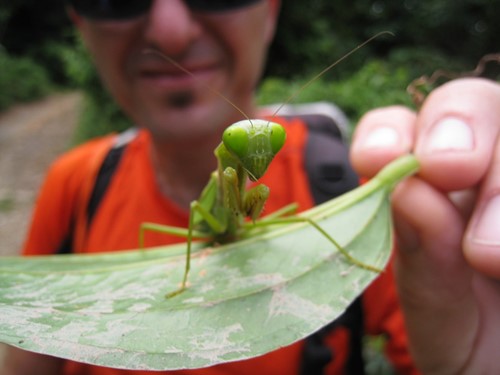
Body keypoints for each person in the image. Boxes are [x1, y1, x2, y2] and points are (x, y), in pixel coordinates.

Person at [2, 0, 500, 374]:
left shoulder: (347, 185)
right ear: (78, 24)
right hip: (209, 234)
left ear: (271, 13)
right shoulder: (74, 185)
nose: (171, 31)